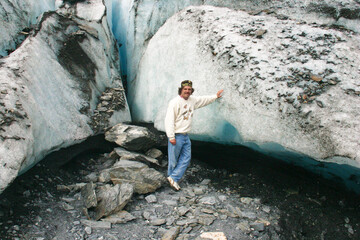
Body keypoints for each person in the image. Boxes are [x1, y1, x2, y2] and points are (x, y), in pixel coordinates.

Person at [164, 80, 223, 190]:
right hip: (176, 135)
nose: (187, 91)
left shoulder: (192, 100)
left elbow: (203, 100)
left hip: (185, 135)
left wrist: (215, 96)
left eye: (189, 89)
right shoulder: (175, 102)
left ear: (191, 91)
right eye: (185, 89)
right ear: (181, 90)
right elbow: (169, 120)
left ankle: (173, 178)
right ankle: (172, 179)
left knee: (186, 157)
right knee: (173, 159)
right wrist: (171, 136)